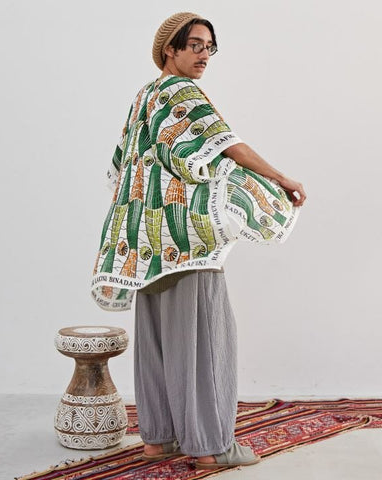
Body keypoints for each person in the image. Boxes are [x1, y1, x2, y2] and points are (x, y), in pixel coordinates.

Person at [91, 12, 306, 469]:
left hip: (146, 244)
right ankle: (212, 447)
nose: (205, 55)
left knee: (157, 339)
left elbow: (121, 167)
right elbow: (229, 146)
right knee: (207, 339)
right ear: (170, 49)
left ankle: (158, 439)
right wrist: (281, 178)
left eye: (210, 47)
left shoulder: (145, 96)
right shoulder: (182, 92)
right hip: (186, 238)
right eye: (195, 45)